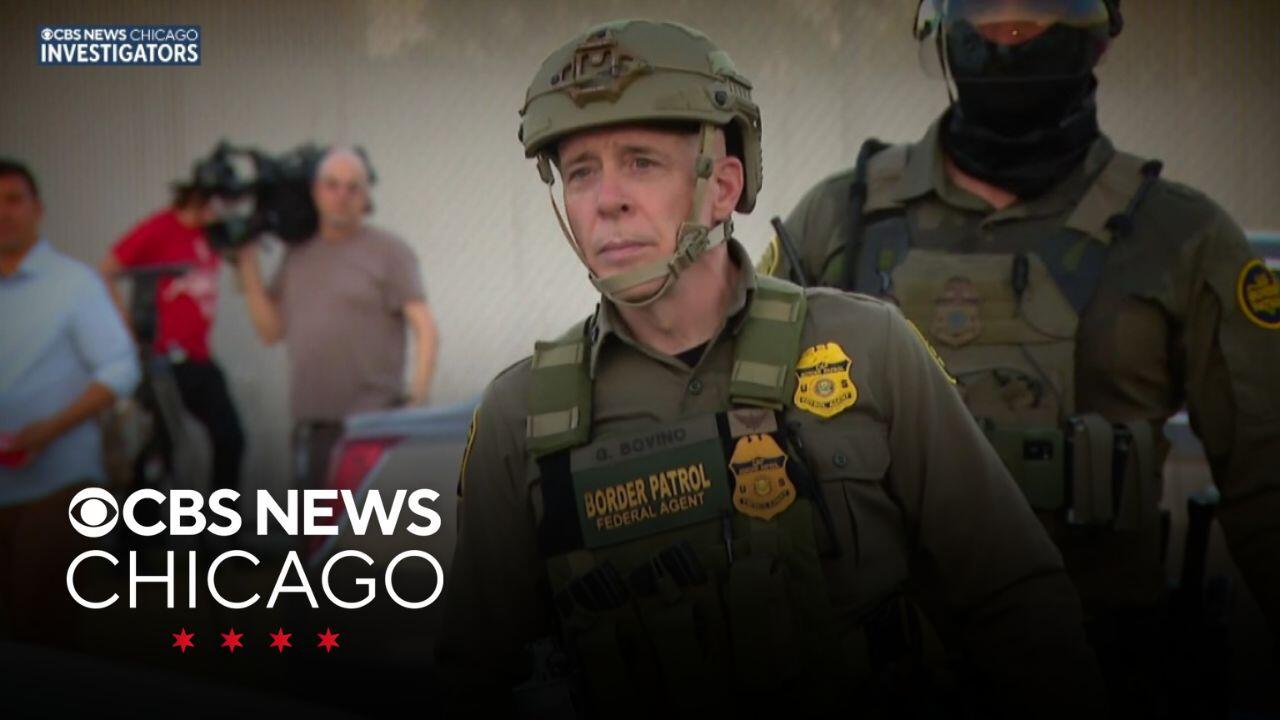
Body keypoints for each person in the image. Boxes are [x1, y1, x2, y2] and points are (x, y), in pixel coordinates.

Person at [436, 19, 1102, 717]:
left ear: (723, 186)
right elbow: (473, 677)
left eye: (641, 163)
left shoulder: (868, 349)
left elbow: (1014, 597)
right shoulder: (521, 417)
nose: (607, 200)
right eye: (580, 173)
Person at [760, 0, 1280, 713]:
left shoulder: (1183, 236)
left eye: (1038, 9)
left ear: (1097, 35)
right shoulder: (837, 220)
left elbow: (1267, 481)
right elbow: (741, 437)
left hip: (1105, 670)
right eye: (987, 10)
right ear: (945, 29)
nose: (1009, 32)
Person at [237, 147, 439, 491]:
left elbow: (425, 327)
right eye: (332, 185)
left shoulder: (389, 251)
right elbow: (270, 332)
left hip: (371, 426)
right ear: (315, 191)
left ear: (366, 196)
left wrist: (417, 398)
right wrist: (247, 262)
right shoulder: (297, 254)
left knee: (371, 522)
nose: (342, 195)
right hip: (312, 428)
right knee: (310, 523)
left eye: (352, 187)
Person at [0, 158, 140, 648]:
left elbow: (121, 368)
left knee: (44, 635)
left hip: (56, 488)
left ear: (37, 209)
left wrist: (52, 427)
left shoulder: (73, 284)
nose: (4, 213)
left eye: (14, 200)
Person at [99, 160, 246, 495]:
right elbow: (106, 270)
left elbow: (240, 277)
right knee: (162, 449)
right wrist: (125, 325)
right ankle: (138, 523)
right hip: (163, 360)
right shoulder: (161, 227)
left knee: (230, 438)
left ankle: (221, 521)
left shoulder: (212, 234)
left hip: (199, 356)